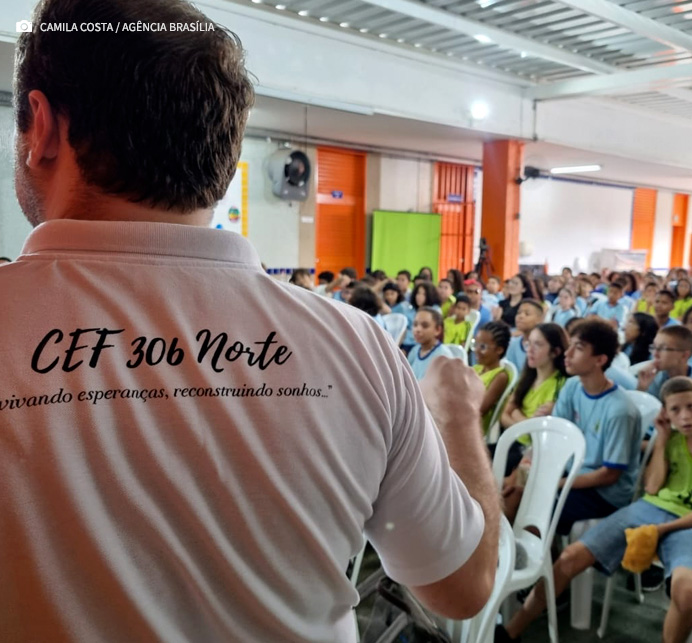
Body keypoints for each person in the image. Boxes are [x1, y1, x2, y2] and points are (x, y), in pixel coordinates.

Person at [4, 0, 498, 638]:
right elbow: (463, 584)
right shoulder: (355, 346)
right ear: (222, 147)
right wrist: (458, 414)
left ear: (41, 126)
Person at [496, 377, 692, 643]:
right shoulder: (671, 438)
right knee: (568, 558)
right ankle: (511, 632)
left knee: (687, 592)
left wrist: (663, 529)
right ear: (666, 413)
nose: (684, 416)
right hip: (649, 509)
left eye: (691, 407)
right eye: (675, 410)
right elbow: (652, 487)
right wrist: (661, 440)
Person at [550, 319, 643, 535]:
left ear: (600, 360)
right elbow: (556, 434)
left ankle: (540, 552)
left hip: (605, 493)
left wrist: (557, 483)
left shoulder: (620, 410)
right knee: (517, 489)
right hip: (573, 472)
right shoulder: (573, 386)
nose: (567, 353)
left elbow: (609, 475)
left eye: (578, 348)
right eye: (570, 345)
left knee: (540, 505)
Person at [498, 324, 568, 475]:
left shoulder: (560, 385)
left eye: (538, 344)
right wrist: (525, 424)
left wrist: (516, 414)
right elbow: (503, 415)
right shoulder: (527, 378)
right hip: (512, 442)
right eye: (528, 343)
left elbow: (536, 433)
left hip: (533, 454)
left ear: (555, 352)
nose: (530, 350)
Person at [637, 325, 692, 411]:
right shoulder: (656, 376)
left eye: (663, 348)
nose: (655, 354)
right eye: (654, 347)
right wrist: (642, 388)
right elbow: (646, 413)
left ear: (684, 355)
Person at [472, 322, 512, 435]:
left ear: (499, 350)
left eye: (483, 347)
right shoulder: (476, 368)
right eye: (475, 344)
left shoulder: (500, 376)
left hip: (473, 430)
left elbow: (480, 410)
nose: (476, 350)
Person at [408, 308, 455, 380]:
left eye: (425, 326)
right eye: (415, 325)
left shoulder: (443, 356)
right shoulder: (415, 350)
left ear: (438, 330)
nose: (418, 329)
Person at [504, 299, 544, 373]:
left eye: (527, 314)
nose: (520, 316)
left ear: (539, 319)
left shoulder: (544, 346)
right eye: (518, 313)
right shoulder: (513, 344)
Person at [402, 282, 441, 351]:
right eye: (418, 293)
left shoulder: (435, 310)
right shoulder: (411, 310)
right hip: (406, 342)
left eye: (424, 294)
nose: (419, 296)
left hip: (422, 344)